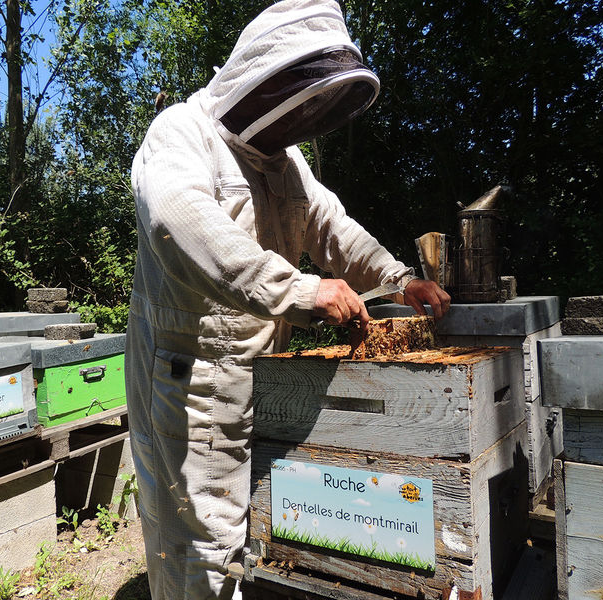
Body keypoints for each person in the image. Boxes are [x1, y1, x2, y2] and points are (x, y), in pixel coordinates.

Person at [125, 1, 451, 598]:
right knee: (205, 547)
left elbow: (331, 226)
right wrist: (299, 290)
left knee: (266, 537)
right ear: (262, 79)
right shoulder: (181, 132)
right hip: (190, 381)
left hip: (268, 377)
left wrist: (399, 277)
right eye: (300, 105)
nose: (303, 122)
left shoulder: (286, 162)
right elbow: (181, 225)